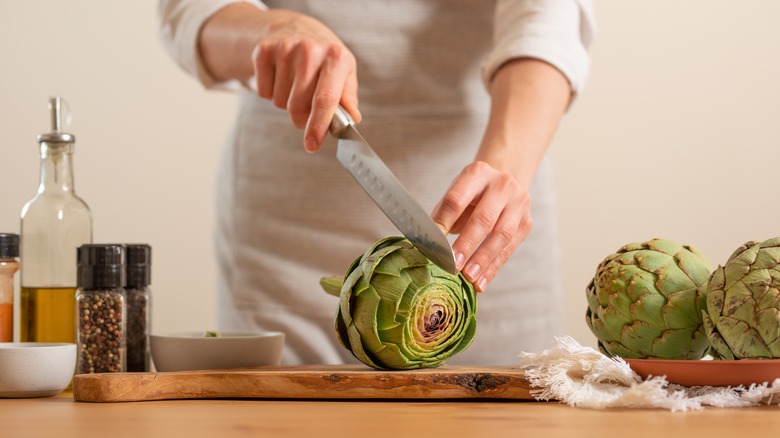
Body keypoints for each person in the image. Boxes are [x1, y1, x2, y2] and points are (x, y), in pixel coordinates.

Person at [157, 0, 594, 365]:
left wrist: (508, 165)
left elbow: (547, 17)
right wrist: (271, 28)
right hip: (286, 236)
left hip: (485, 227)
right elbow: (190, 10)